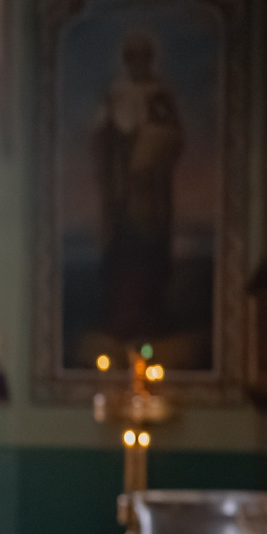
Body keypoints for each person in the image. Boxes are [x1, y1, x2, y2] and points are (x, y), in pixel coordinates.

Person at [92, 29, 185, 343]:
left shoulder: (160, 93)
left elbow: (174, 137)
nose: (137, 62)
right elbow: (101, 137)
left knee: (150, 250)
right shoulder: (115, 93)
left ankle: (150, 316)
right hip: (122, 188)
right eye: (132, 57)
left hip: (151, 191)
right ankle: (123, 315)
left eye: (143, 56)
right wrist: (118, 143)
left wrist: (149, 147)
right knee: (124, 250)